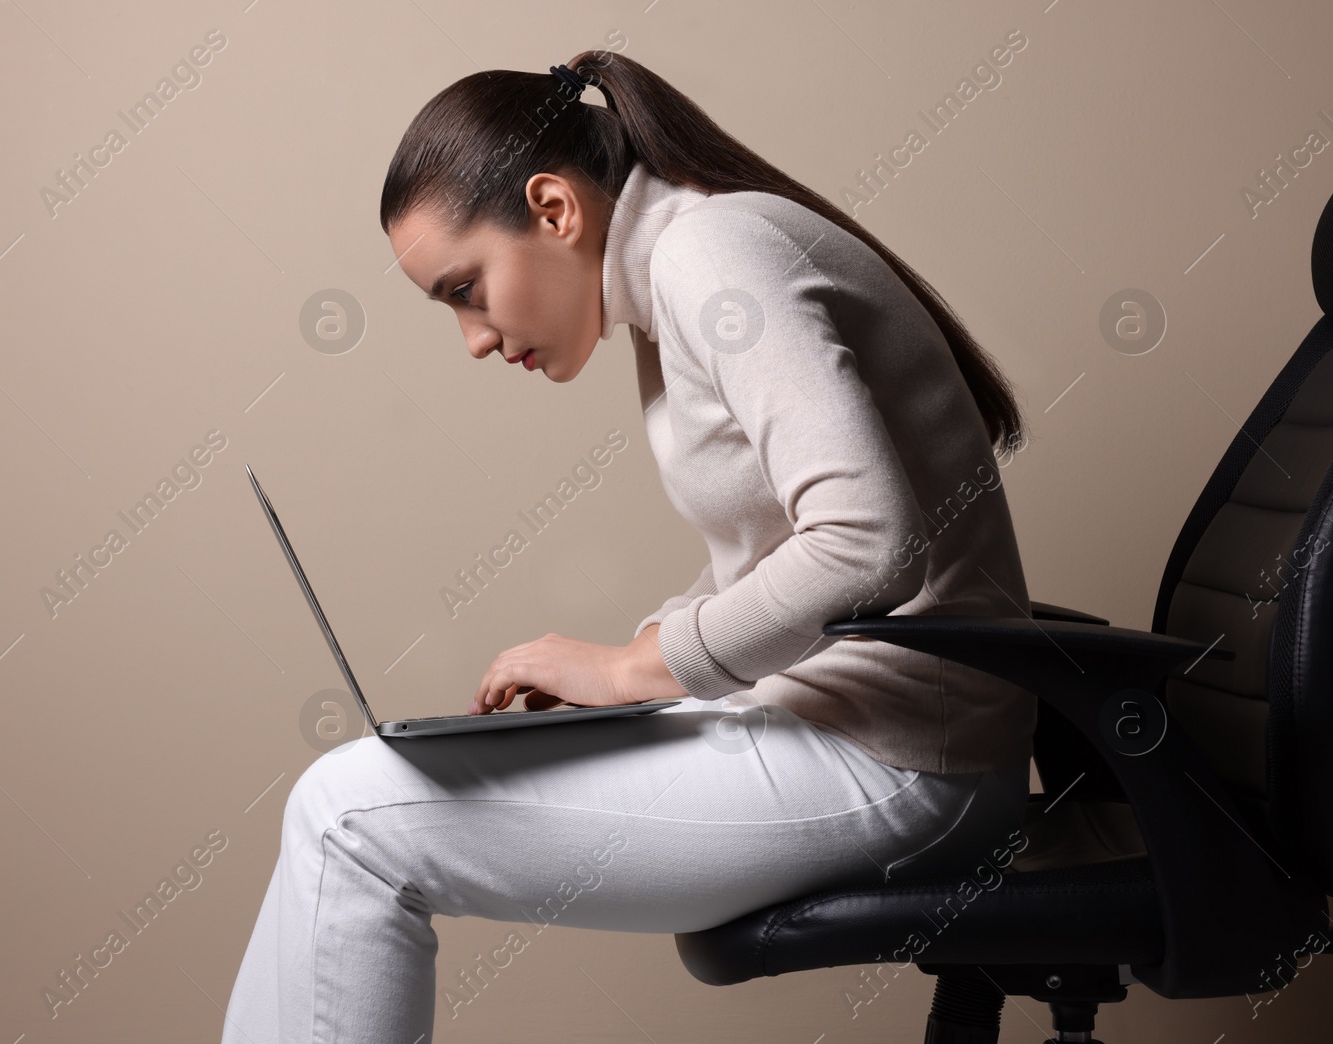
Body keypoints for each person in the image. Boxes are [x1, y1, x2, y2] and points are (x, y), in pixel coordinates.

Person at [220, 50, 1036, 1043]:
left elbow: (868, 543)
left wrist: (632, 669)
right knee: (340, 806)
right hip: (849, 730)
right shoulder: (681, 269)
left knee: (348, 819)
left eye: (465, 288)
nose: (474, 338)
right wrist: (638, 659)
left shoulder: (712, 258)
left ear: (555, 209)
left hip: (904, 765)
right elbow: (778, 549)